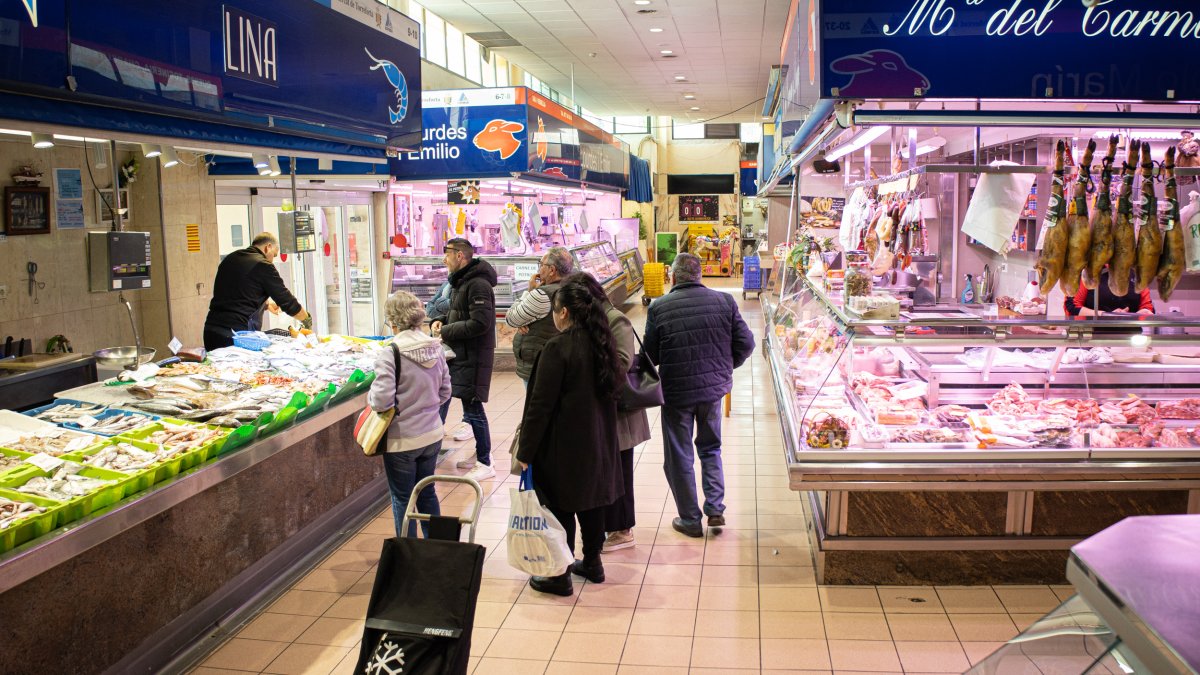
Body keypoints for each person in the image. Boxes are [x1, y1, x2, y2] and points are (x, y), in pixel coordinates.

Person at [516, 281, 624, 596]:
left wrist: (525, 451)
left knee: (560, 507)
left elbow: (539, 406)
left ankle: (559, 575)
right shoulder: (602, 344)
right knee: (591, 504)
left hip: (564, 445)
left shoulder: (557, 348)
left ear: (563, 312)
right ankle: (592, 562)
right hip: (599, 442)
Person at [644, 253, 755, 538]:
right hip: (711, 392)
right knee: (710, 447)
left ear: (673, 277)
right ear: (700, 275)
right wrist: (724, 367)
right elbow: (746, 343)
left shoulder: (658, 308)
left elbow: (650, 356)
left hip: (676, 394)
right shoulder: (724, 302)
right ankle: (715, 508)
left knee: (679, 455)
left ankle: (690, 519)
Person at [565, 272, 651, 552]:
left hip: (619, 411)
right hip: (598, 411)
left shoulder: (615, 320)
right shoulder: (586, 321)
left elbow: (622, 363)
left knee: (620, 469)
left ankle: (623, 529)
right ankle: (606, 526)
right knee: (604, 470)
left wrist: (583, 370)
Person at [367, 291, 451, 538]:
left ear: (392, 320)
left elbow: (382, 401)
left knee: (403, 498)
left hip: (402, 439)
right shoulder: (436, 348)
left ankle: (408, 553)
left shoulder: (390, 353)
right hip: (433, 434)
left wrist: (370, 399)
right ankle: (436, 548)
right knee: (427, 491)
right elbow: (446, 390)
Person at [432, 238, 498, 481]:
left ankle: (485, 461)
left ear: (460, 256)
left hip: (474, 355)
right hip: (464, 354)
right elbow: (460, 314)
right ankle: (479, 457)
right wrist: (441, 322)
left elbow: (481, 323)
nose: (443, 258)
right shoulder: (463, 282)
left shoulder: (477, 285)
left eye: (446, 253)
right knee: (470, 408)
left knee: (473, 408)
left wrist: (446, 332)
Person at [204, 232, 310, 351]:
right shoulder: (263, 265)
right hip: (237, 336)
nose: (272, 260)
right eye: (274, 255)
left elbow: (237, 292)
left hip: (211, 331)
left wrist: (266, 304)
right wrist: (306, 319)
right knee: (241, 369)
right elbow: (287, 302)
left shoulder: (231, 258)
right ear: (267, 247)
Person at [505, 247, 574, 384]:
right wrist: (524, 319)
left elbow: (511, 318)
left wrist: (529, 292)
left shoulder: (542, 294)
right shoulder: (571, 287)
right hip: (561, 358)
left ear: (552, 270)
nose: (539, 269)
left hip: (539, 362)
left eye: (541, 265)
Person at [427, 281, 472, 443]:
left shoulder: (473, 285)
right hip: (445, 345)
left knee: (467, 387)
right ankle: (439, 423)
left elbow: (464, 312)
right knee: (444, 383)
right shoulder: (448, 284)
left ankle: (468, 422)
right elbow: (430, 309)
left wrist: (444, 304)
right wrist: (449, 306)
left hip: (465, 344)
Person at [1064, 270, 1154, 317]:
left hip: (1131, 341)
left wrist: (1140, 314)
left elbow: (1148, 307)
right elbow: (1072, 307)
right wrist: (1106, 315)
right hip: (1091, 337)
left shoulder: (1137, 275)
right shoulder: (1087, 273)